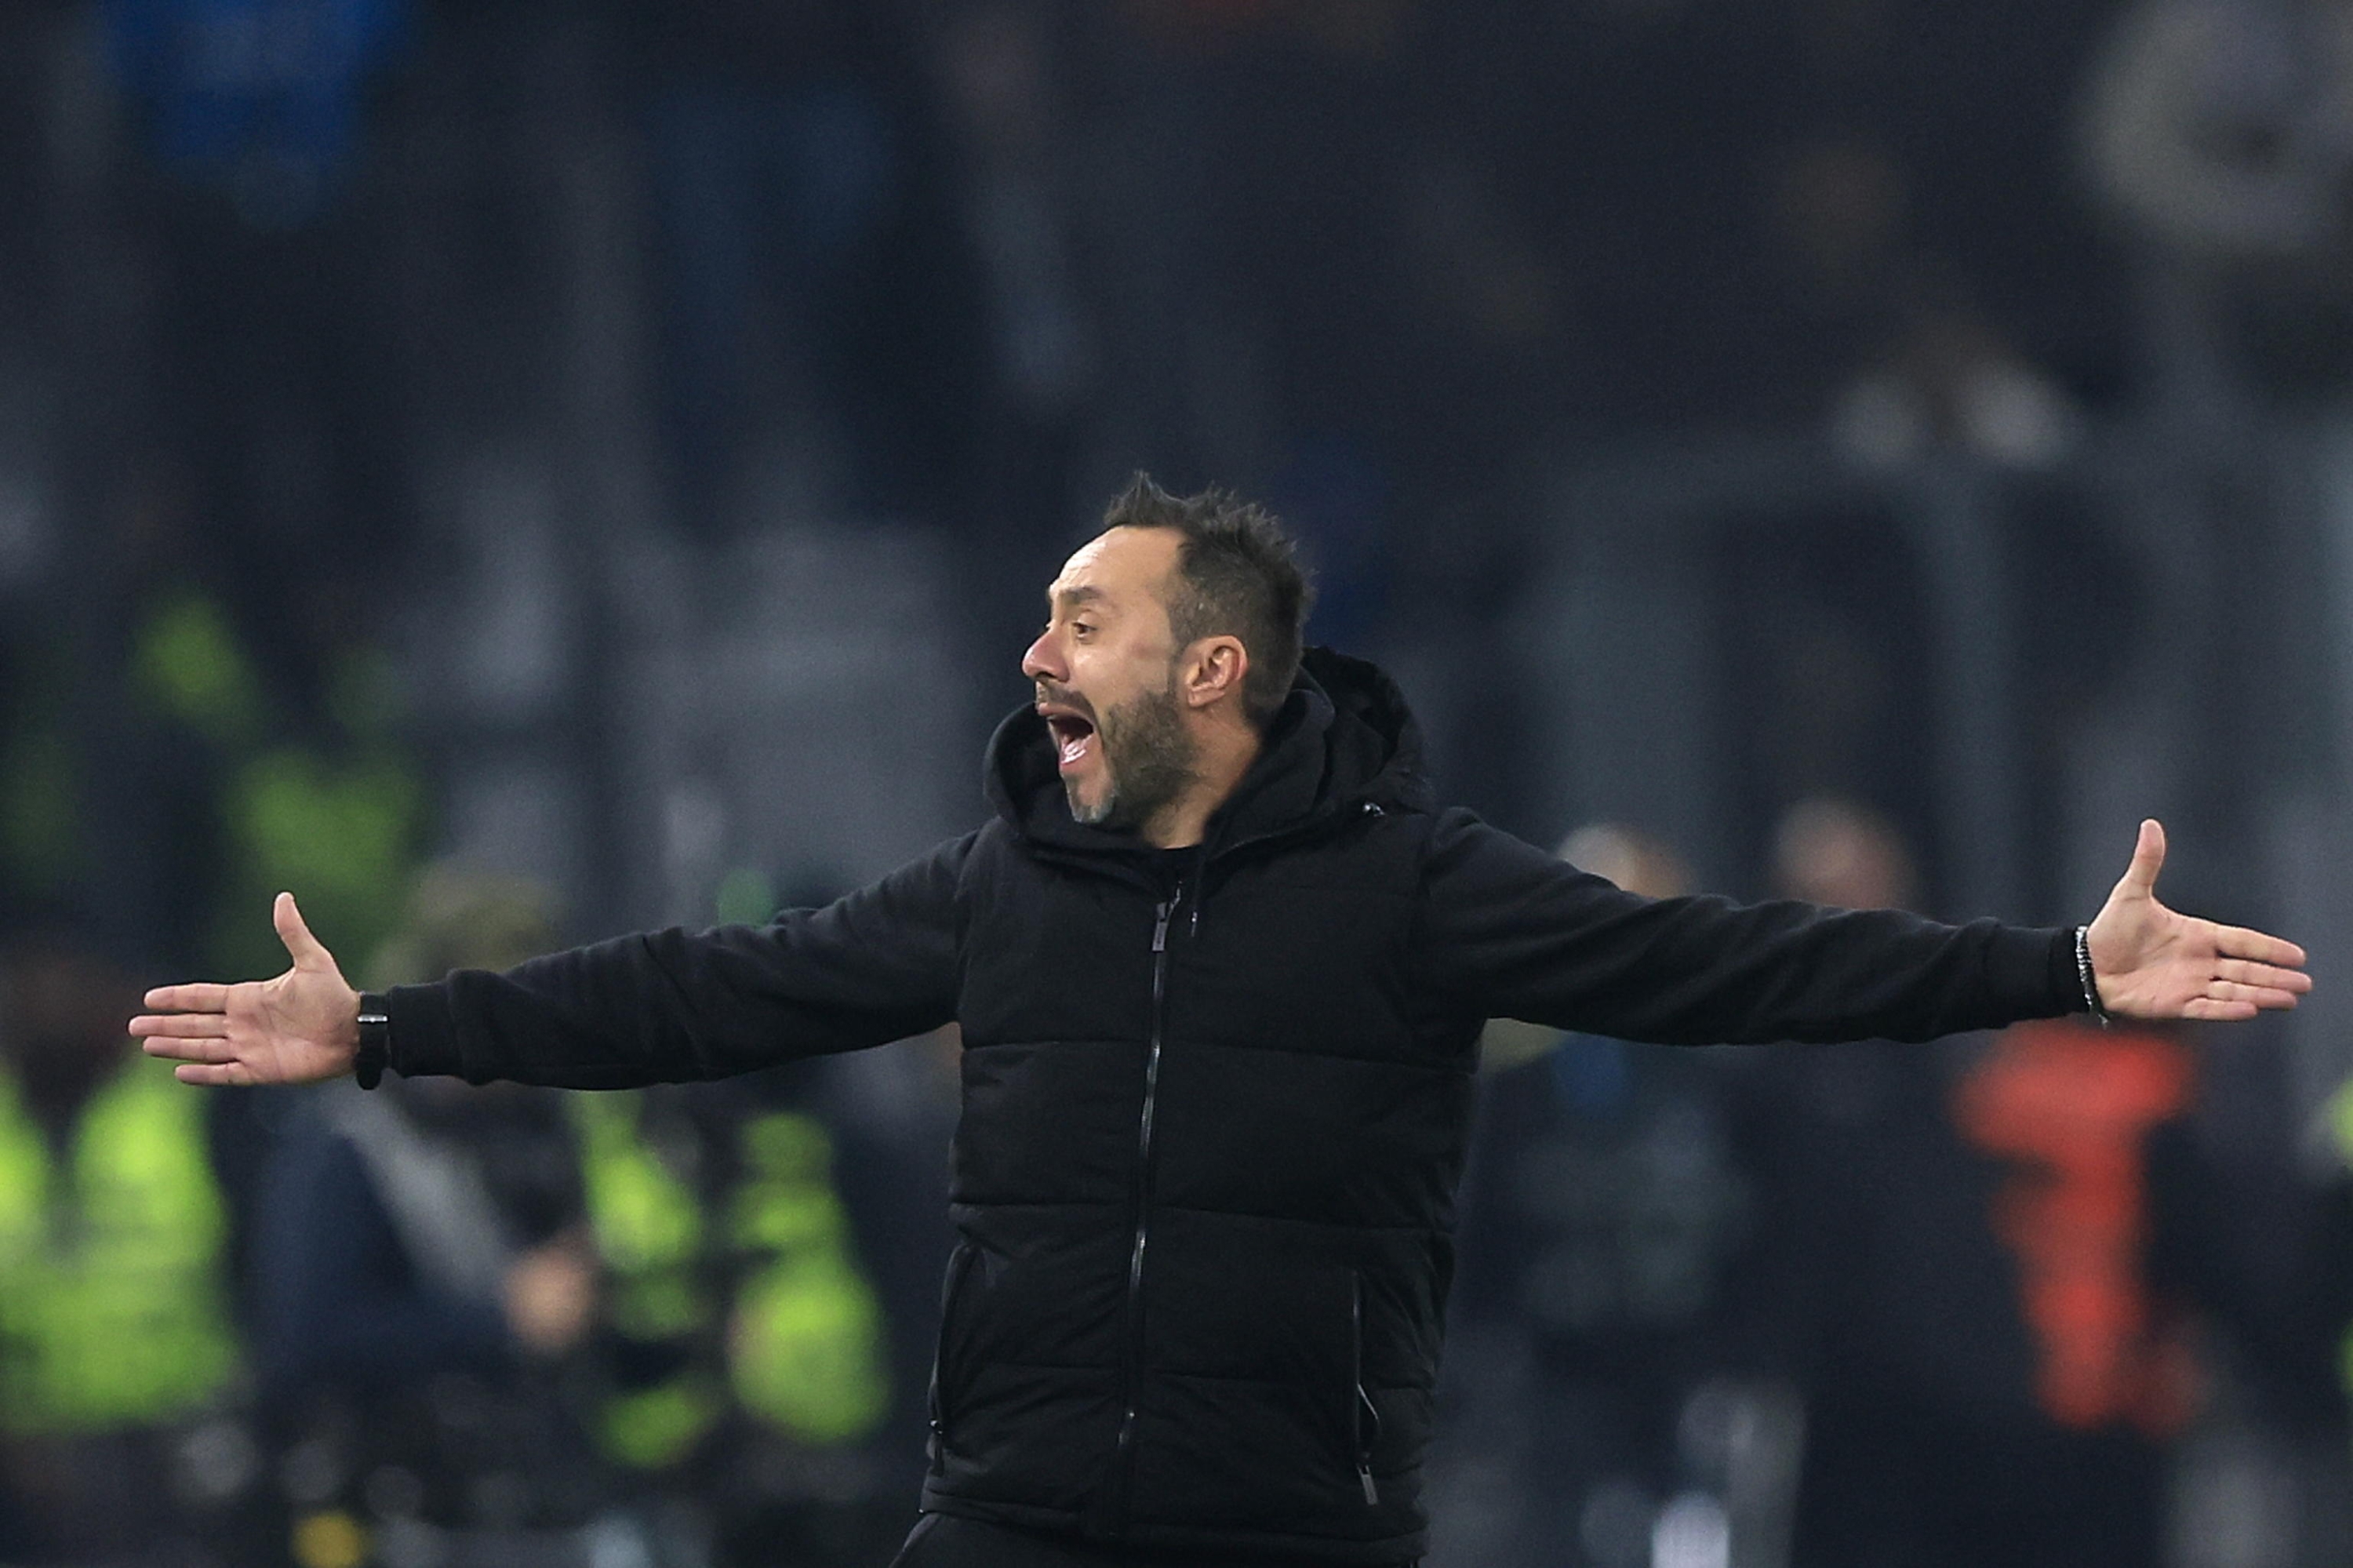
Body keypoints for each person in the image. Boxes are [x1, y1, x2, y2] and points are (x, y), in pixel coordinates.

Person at [133, 475, 2313, 1568]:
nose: (1033, 654)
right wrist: (396, 1033)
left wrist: (2055, 967)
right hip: (1013, 1516)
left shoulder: (1422, 890)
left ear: (1214, 675)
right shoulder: (1006, 893)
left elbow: (1735, 969)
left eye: (1083, 619)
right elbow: (714, 992)